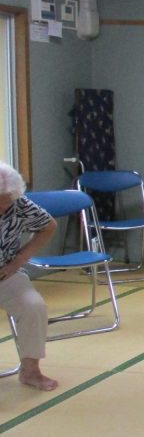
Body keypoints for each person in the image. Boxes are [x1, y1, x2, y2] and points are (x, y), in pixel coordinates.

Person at [0, 162, 59, 391]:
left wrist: (17, 262)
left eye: (6, 202)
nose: (4, 208)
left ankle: (31, 371)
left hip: (5, 274)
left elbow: (48, 226)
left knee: (34, 307)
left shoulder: (18, 203)